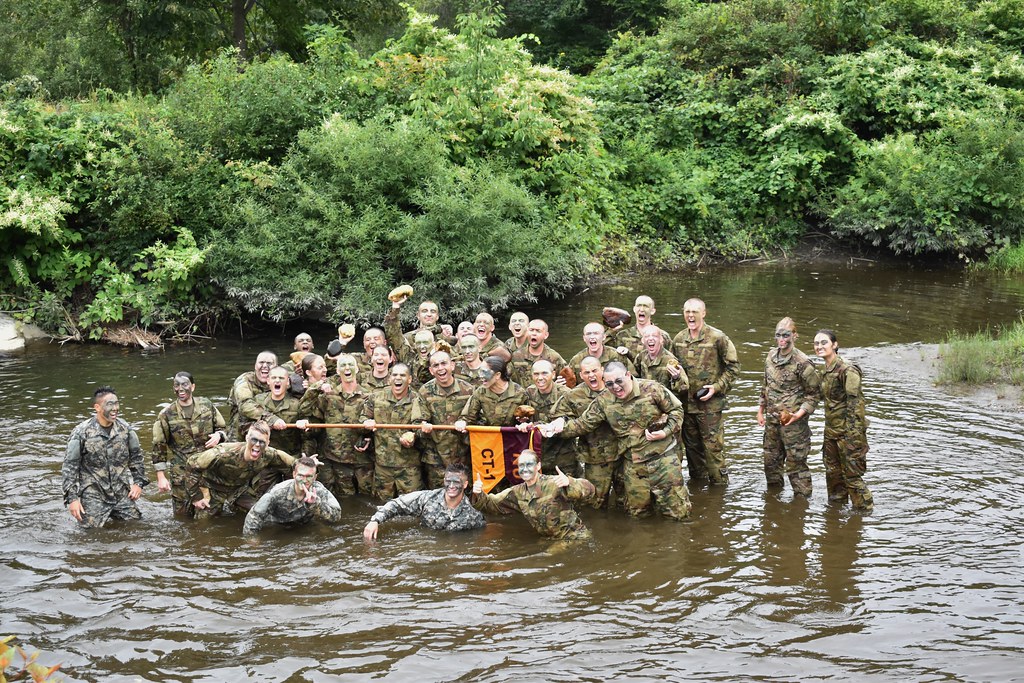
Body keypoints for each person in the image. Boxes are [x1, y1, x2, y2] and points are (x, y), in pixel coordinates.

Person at [541, 362, 691, 520]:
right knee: (638, 515)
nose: (616, 387)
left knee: (678, 513)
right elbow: (583, 424)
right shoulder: (604, 400)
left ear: (628, 375)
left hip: (664, 460)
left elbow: (676, 410)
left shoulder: (652, 389)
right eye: (610, 383)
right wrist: (550, 429)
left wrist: (665, 432)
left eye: (619, 381)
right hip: (633, 465)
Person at [672, 298, 739, 485]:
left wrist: (716, 387)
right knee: (692, 452)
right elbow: (673, 370)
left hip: (710, 406)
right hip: (687, 406)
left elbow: (733, 368)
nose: (690, 315)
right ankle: (699, 492)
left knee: (713, 450)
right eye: (687, 312)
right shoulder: (678, 340)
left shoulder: (718, 338)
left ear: (704, 313)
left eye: (695, 311)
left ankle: (719, 489)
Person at [62, 386, 147, 528]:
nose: (115, 408)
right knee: (89, 535)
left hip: (121, 491)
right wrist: (72, 499)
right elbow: (69, 468)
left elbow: (136, 458)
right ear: (97, 407)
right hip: (94, 493)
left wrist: (138, 483)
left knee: (137, 527)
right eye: (110, 404)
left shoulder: (126, 430)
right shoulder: (81, 433)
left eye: (117, 403)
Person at [757, 317, 821, 497]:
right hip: (772, 422)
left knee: (796, 467)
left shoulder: (803, 362)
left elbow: (815, 394)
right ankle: (773, 506)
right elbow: (766, 385)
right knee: (770, 464)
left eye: (786, 334)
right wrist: (760, 410)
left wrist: (799, 414)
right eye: (778, 335)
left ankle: (800, 509)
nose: (782, 339)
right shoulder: (770, 356)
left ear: (795, 335)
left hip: (794, 426)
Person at [471, 449, 595, 540]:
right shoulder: (517, 492)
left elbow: (590, 489)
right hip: (548, 539)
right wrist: (478, 493)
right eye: (521, 465)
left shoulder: (555, 483)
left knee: (542, 558)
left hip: (573, 537)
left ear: (538, 466)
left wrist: (570, 482)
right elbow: (492, 504)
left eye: (529, 464)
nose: (525, 469)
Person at [814, 329, 874, 512]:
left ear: (835, 345)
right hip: (831, 434)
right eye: (816, 343)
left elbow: (856, 406)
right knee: (833, 477)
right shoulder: (825, 370)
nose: (819, 346)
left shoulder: (848, 370)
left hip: (848, 435)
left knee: (853, 478)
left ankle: (864, 514)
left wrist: (853, 440)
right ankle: (835, 519)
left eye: (824, 342)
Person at [299, 353, 374, 497]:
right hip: (336, 458)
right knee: (345, 498)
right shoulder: (328, 396)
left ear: (357, 369)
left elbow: (376, 422)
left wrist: (369, 436)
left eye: (351, 365)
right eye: (343, 366)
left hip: (362, 459)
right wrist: (315, 388)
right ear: (338, 371)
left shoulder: (369, 396)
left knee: (367, 497)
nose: (347, 368)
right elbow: (304, 410)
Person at [185, 420, 296, 517]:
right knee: (202, 523)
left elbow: (294, 463)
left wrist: (309, 463)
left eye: (262, 442)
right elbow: (191, 463)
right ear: (247, 438)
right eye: (254, 440)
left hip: (239, 490)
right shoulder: (223, 453)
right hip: (213, 489)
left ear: (268, 443)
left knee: (260, 513)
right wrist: (196, 496)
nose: (257, 445)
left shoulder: (269, 455)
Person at [151, 371, 227, 515]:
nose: (180, 389)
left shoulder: (207, 405)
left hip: (208, 471)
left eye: (184, 384)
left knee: (212, 515)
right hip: (182, 474)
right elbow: (158, 446)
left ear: (192, 387)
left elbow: (223, 429)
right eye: (176, 385)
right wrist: (161, 477)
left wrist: (219, 435)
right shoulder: (166, 414)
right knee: (183, 519)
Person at [363, 463, 485, 540]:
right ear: (444, 481)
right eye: (448, 481)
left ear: (465, 484)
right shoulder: (427, 498)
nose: (451, 486)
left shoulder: (474, 510)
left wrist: (480, 494)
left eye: (457, 482)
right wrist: (375, 521)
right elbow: (397, 504)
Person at [361, 363, 427, 499]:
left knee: (412, 505)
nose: (398, 378)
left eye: (402, 375)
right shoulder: (376, 397)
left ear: (409, 379)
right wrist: (366, 423)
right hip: (382, 465)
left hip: (409, 466)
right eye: (394, 375)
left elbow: (421, 427)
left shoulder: (417, 399)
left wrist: (414, 435)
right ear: (389, 378)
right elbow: (362, 417)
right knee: (380, 505)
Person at [562, 357, 621, 508]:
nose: (591, 375)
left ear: (602, 370)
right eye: (586, 372)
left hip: (623, 453)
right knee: (595, 502)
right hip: (595, 457)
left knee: (628, 501)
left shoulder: (617, 388)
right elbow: (559, 417)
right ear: (581, 375)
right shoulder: (574, 395)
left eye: (594, 370)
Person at [242, 456, 343, 536]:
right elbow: (253, 518)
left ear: (315, 477)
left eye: (309, 476)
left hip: (303, 524)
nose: (304, 480)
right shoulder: (277, 492)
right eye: (300, 475)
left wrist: (316, 504)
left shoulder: (319, 490)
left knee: (328, 533)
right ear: (294, 474)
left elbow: (336, 516)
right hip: (277, 524)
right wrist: (252, 540)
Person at [418, 350, 475, 488]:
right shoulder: (424, 392)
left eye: (444, 363)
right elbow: (417, 422)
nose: (440, 368)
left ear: (453, 365)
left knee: (465, 496)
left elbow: (480, 419)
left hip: (464, 456)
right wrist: (423, 427)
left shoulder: (468, 390)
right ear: (431, 370)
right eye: (436, 365)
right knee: (438, 498)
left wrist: (465, 423)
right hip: (436, 458)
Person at [524, 360, 577, 475]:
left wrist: (561, 422)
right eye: (536, 374)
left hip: (563, 455)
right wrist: (524, 422)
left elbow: (576, 421)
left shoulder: (566, 394)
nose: (540, 378)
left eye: (544, 373)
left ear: (553, 374)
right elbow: (525, 416)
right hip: (539, 453)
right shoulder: (529, 392)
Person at [455, 356, 531, 429]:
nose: (480, 376)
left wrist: (524, 423)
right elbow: (468, 417)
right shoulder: (480, 392)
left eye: (484, 372)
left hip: (512, 439)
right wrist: (462, 423)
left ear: (497, 375)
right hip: (489, 438)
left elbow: (529, 420)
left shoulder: (520, 393)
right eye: (480, 371)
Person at [254, 365, 308, 456]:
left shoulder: (297, 404)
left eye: (281, 378)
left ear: (287, 382)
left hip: (289, 455)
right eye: (274, 377)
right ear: (268, 381)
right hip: (262, 454)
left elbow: (309, 436)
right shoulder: (257, 401)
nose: (277, 380)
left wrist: (306, 425)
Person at [227, 351, 276, 439]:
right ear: (255, 366)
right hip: (240, 431)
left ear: (276, 367)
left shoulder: (281, 381)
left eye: (269, 363)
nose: (264, 366)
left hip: (269, 430)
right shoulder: (244, 381)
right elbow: (245, 405)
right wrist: (271, 419)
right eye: (261, 362)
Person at [611, 295, 672, 361]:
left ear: (652, 311)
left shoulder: (663, 336)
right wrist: (612, 331)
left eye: (645, 306)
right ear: (634, 309)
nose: (641, 309)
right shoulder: (622, 336)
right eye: (639, 305)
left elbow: (671, 360)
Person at [636, 325, 689, 402]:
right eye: (647, 336)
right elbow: (634, 377)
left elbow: (684, 389)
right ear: (643, 340)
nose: (650, 338)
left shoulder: (670, 360)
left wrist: (676, 378)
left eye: (654, 336)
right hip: (647, 403)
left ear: (661, 340)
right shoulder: (641, 357)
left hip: (666, 404)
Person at [508, 319, 566, 387]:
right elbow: (507, 381)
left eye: (538, 331)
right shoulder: (516, 356)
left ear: (546, 335)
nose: (534, 333)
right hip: (523, 396)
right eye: (531, 330)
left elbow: (567, 381)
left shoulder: (554, 357)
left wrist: (557, 386)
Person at [568, 321, 635, 378]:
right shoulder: (576, 361)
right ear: (584, 338)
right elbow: (568, 385)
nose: (592, 337)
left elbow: (634, 378)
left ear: (603, 337)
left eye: (596, 333)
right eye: (588, 334)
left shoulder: (617, 356)